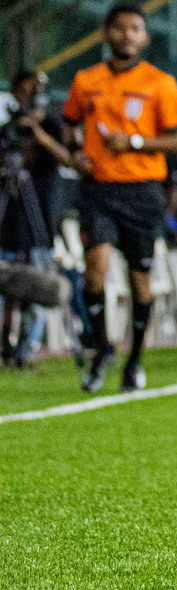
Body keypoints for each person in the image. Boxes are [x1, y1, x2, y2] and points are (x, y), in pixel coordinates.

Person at [62, 4, 177, 393]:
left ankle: (134, 360)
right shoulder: (86, 80)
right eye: (119, 28)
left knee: (141, 283)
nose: (127, 35)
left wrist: (133, 142)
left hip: (143, 193)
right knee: (95, 269)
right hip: (99, 190)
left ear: (145, 37)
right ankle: (102, 347)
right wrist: (76, 153)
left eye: (135, 28)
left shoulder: (160, 83)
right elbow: (69, 126)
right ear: (106, 34)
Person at [1, 69, 73, 369]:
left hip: (40, 220)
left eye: (35, 91)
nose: (30, 97)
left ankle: (26, 348)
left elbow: (68, 158)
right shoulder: (8, 130)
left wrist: (39, 134)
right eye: (25, 90)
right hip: (7, 223)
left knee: (40, 286)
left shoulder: (53, 126)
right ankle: (5, 345)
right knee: (6, 286)